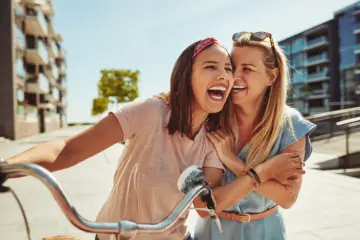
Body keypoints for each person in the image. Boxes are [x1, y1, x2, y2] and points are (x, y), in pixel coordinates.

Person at [3, 37, 236, 240]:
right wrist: (8, 168)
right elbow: (67, 150)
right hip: (114, 236)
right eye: (211, 66)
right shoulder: (152, 112)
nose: (223, 75)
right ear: (187, 76)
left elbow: (205, 208)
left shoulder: (213, 140)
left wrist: (256, 173)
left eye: (228, 69)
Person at [154, 32, 316, 240]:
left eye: (247, 69)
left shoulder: (292, 125)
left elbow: (287, 198)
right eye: (232, 67)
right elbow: (205, 204)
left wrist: (232, 161)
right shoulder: (212, 118)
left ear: (271, 77)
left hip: (267, 232)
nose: (234, 77)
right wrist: (265, 173)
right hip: (212, 232)